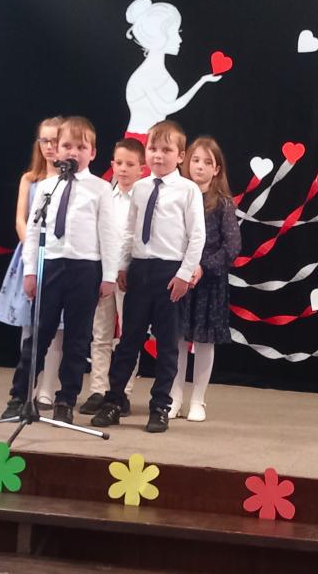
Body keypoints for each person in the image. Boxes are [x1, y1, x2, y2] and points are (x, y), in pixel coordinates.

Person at [1, 117, 118, 425]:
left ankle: (66, 399)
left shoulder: (100, 189)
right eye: (67, 145)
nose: (73, 152)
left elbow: (109, 234)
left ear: (92, 153)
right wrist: (30, 271)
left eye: (81, 147)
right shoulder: (46, 187)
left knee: (77, 339)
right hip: (50, 265)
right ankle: (19, 397)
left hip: (85, 268)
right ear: (56, 149)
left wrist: (108, 275)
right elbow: (34, 230)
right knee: (38, 336)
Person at [91, 120, 205, 433]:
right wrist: (122, 265)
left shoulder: (188, 191)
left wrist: (184, 274)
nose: (158, 155)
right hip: (140, 269)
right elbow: (130, 230)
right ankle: (114, 401)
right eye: (153, 148)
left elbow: (197, 236)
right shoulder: (140, 188)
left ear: (180, 156)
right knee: (128, 341)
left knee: (167, 345)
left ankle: (160, 407)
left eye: (166, 150)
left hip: (170, 272)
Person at [101, 0, 221, 182]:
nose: (179, 39)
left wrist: (202, 81)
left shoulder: (159, 73)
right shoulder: (143, 75)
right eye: (175, 33)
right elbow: (166, 107)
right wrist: (201, 82)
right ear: (159, 36)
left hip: (158, 143)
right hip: (139, 143)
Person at [0, 117, 64, 409]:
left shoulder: (70, 182)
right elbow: (20, 220)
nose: (49, 147)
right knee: (30, 323)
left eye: (55, 141)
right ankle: (27, 388)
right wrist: (31, 252)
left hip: (60, 259)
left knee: (58, 328)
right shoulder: (30, 179)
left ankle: (48, 389)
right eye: (44, 141)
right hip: (31, 257)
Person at [170, 137, 241, 422]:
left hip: (208, 282)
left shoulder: (222, 204)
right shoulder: (177, 197)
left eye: (207, 162)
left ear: (216, 169)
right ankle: (174, 398)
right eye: (195, 160)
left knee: (203, 341)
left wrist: (203, 267)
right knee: (175, 340)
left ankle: (198, 400)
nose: (199, 166)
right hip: (178, 278)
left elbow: (232, 246)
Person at [79, 138, 145, 417]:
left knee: (128, 336)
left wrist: (125, 266)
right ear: (111, 164)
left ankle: (122, 392)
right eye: (119, 163)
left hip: (129, 275)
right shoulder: (105, 194)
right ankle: (97, 389)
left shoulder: (143, 196)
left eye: (130, 164)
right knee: (101, 333)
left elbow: (138, 237)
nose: (123, 169)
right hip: (104, 273)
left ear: (141, 168)